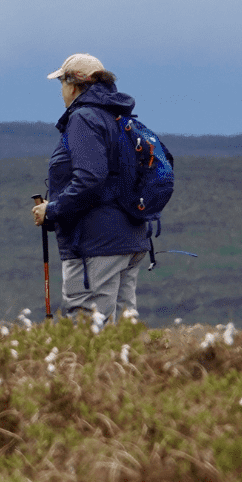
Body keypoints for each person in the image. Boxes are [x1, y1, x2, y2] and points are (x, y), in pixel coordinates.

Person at [31, 53, 148, 324]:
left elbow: (90, 179)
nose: (61, 91)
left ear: (73, 85)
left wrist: (53, 210)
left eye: (61, 83)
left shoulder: (84, 118)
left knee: (87, 327)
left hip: (95, 243)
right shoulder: (119, 117)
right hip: (130, 238)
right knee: (121, 330)